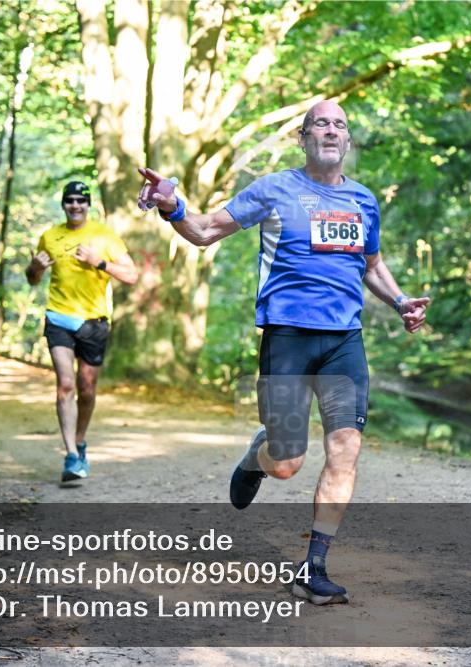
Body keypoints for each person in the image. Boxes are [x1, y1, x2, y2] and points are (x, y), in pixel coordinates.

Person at [138, 100, 430, 605]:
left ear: (347, 141)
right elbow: (205, 231)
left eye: (340, 124)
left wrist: (401, 300)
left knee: (345, 450)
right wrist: (173, 207)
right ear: (303, 137)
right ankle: (258, 456)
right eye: (321, 122)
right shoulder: (274, 189)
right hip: (288, 338)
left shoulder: (363, 201)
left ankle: (313, 567)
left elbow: (372, 264)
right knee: (288, 463)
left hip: (344, 342)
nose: (331, 130)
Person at [26, 181, 138, 483]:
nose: (75, 206)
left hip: (94, 322)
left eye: (81, 201)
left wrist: (99, 262)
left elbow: (131, 275)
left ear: (88, 205)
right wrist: (34, 268)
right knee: (65, 385)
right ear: (63, 205)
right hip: (59, 318)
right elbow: (34, 279)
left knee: (86, 389)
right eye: (69, 201)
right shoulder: (49, 236)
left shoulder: (104, 236)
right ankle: (72, 455)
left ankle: (80, 440)